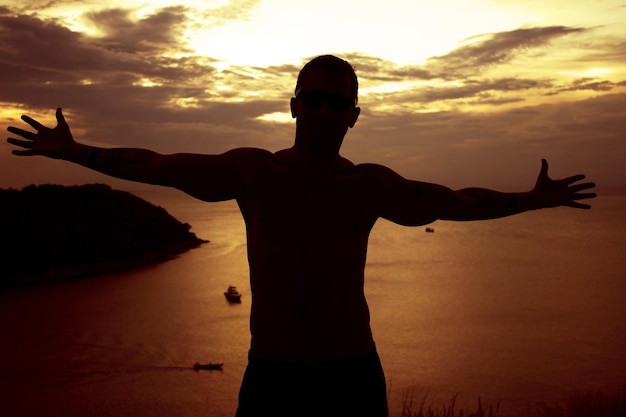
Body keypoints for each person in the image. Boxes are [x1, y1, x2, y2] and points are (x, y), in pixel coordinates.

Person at [6, 55, 596, 417]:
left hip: (352, 373)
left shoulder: (370, 186)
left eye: (337, 103)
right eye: (312, 98)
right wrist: (78, 152)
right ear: (294, 104)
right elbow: (157, 164)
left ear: (353, 116)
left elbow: (456, 202)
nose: (322, 110)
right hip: (274, 375)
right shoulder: (252, 171)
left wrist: (532, 200)